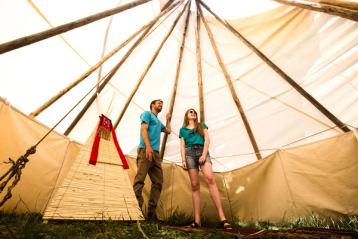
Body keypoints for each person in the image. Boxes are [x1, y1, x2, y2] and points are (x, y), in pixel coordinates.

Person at [179, 108, 233, 230]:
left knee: (210, 178)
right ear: (186, 116)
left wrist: (203, 154)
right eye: (190, 111)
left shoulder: (201, 125)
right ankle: (197, 221)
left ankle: (223, 219)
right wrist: (183, 160)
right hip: (189, 154)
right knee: (194, 185)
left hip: (202, 150)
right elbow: (182, 146)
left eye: (194, 112)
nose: (193, 113)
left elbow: (207, 139)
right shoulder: (182, 130)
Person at [133, 99, 171, 220]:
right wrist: (148, 146)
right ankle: (136, 213)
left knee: (158, 182)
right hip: (145, 150)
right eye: (158, 103)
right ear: (152, 105)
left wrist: (168, 119)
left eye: (162, 104)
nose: (161, 104)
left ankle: (151, 215)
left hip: (156, 155)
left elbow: (168, 131)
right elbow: (143, 129)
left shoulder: (159, 122)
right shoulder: (147, 114)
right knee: (140, 180)